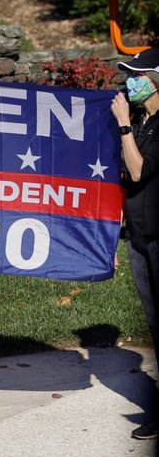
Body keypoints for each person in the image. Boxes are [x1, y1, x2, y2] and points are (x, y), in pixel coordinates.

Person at [111, 47, 159, 441]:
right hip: (139, 238)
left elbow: (139, 168)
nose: (130, 81)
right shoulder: (143, 120)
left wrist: (124, 124)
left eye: (137, 75)